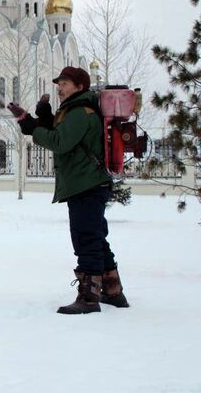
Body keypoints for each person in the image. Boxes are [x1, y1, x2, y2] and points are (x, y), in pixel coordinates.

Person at [8, 66, 129, 314]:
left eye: (64, 84)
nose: (59, 88)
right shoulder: (73, 111)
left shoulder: (80, 112)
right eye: (59, 84)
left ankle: (89, 296)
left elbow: (60, 142)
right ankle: (113, 292)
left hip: (86, 183)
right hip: (86, 182)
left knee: (86, 238)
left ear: (80, 86)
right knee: (95, 237)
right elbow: (58, 132)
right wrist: (34, 121)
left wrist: (38, 130)